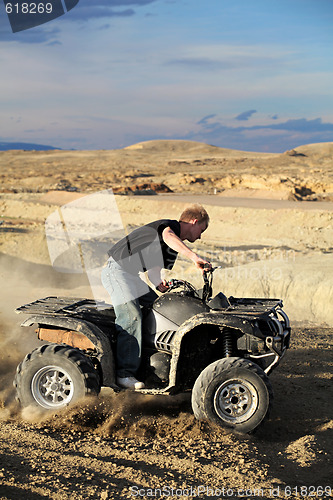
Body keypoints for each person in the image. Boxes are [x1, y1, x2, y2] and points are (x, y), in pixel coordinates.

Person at [101, 204, 211, 390]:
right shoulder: (169, 227)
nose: (200, 236)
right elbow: (168, 236)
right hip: (117, 271)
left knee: (158, 308)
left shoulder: (171, 247)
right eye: (202, 230)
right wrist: (194, 257)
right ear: (194, 222)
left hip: (130, 276)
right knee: (131, 315)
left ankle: (148, 362)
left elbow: (153, 270)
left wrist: (160, 284)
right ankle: (124, 374)